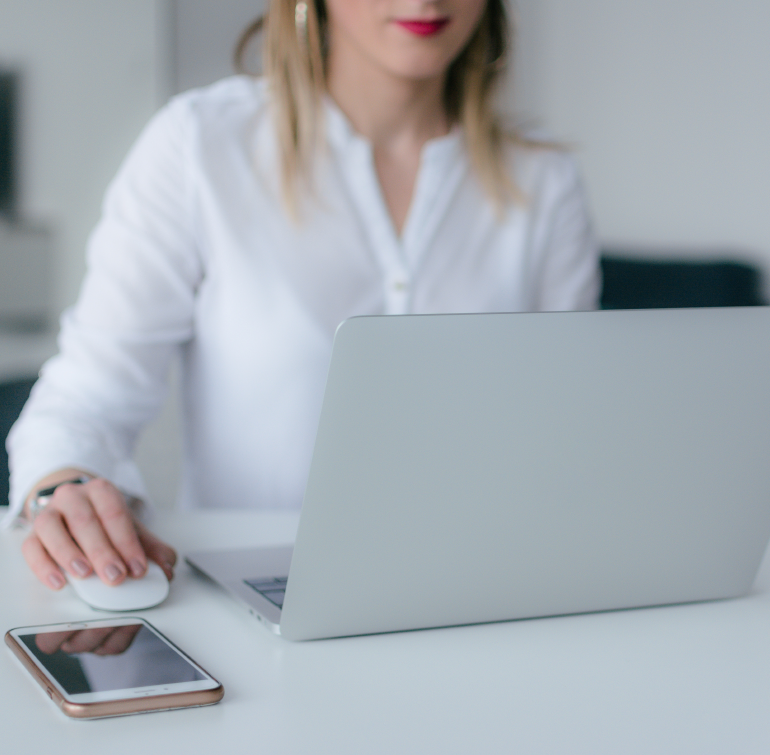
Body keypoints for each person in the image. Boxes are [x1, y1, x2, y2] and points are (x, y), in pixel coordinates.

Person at [5, 0, 600, 590]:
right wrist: (63, 489)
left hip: (481, 590)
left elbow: (569, 435)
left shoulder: (543, 182)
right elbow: (86, 400)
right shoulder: (200, 147)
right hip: (258, 596)